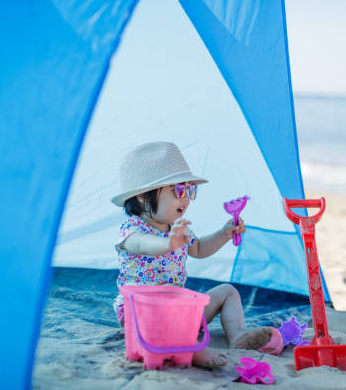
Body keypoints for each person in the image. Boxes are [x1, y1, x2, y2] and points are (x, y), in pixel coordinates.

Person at [111, 141, 282, 368]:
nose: (187, 198)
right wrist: (169, 243)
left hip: (179, 311)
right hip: (142, 314)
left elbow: (199, 249)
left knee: (228, 291)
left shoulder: (178, 227)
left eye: (190, 190)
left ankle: (237, 336)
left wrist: (224, 233)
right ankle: (192, 350)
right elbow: (143, 245)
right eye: (178, 191)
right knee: (166, 314)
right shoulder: (132, 229)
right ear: (143, 197)